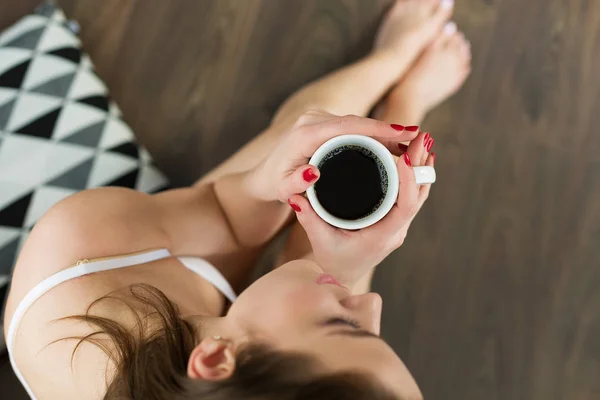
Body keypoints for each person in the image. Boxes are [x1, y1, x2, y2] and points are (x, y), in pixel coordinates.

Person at [3, 0, 471, 398]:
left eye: (348, 327)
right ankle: (407, 97)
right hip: (225, 316)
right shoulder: (241, 368)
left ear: (216, 359)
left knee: (298, 138)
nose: (375, 306)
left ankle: (391, 57)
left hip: (141, 257)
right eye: (376, 335)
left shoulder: (76, 250)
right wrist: (340, 269)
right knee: (333, 217)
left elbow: (226, 215)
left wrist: (267, 181)